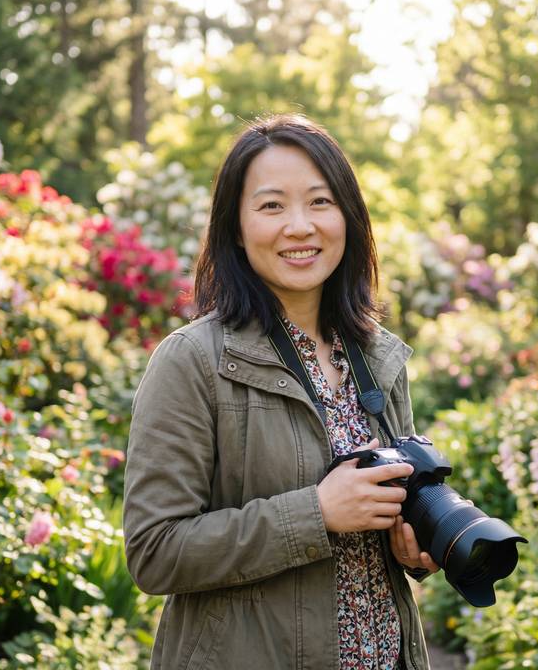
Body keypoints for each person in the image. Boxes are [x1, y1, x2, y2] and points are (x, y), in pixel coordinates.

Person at [124, 114, 437, 670]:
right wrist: (316, 512)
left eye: (320, 202)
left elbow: (385, 521)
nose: (299, 226)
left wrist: (413, 543)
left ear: (349, 217)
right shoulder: (193, 360)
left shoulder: (376, 355)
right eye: (271, 206)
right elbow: (155, 551)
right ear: (236, 227)